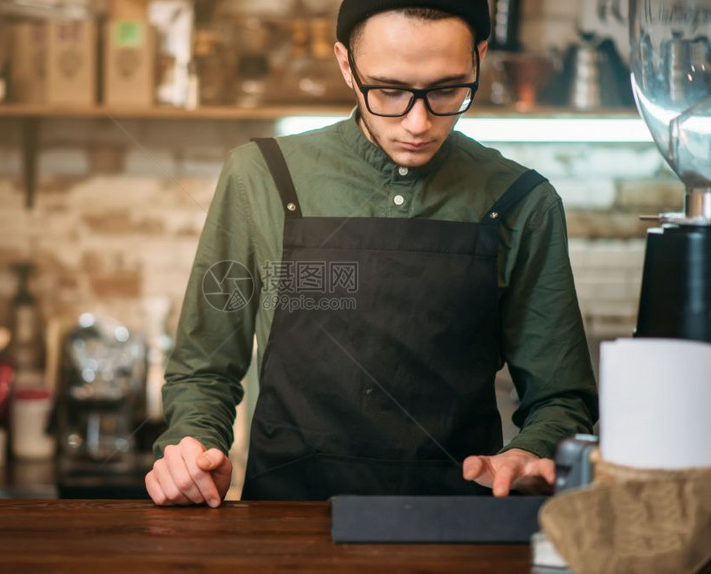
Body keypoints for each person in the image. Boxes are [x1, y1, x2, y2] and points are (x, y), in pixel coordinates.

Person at [145, 0, 599, 507]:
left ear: (479, 57)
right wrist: (193, 448)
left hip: (460, 526)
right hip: (286, 522)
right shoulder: (263, 178)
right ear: (346, 65)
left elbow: (561, 398)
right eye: (389, 91)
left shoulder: (521, 201)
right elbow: (204, 368)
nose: (418, 123)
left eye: (448, 90)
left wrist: (532, 452)